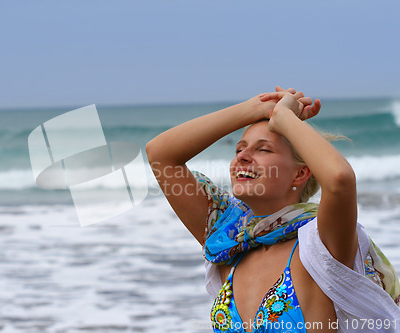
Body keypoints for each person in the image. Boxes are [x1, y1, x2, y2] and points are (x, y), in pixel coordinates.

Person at [145, 87, 400, 333]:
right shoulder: (228, 242)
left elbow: (339, 179)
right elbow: (160, 154)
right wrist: (254, 108)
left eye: (263, 149)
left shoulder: (321, 244)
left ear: (300, 173)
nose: (242, 157)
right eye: (239, 149)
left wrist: (284, 117)